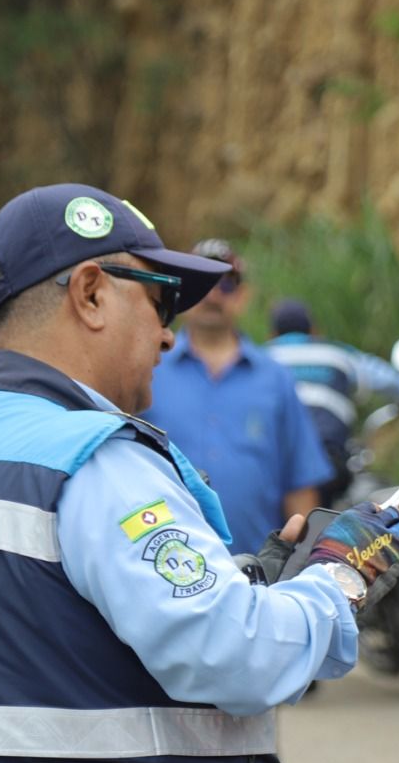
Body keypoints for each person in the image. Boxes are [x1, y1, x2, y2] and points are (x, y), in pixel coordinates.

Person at [0, 183, 399, 763]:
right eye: (157, 298)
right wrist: (343, 572)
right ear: (90, 294)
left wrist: (246, 580)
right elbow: (238, 655)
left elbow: (62, 640)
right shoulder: (93, 458)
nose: (169, 335)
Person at [142, 239, 334, 557]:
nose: (213, 294)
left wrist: (300, 564)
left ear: (244, 297)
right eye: (201, 282)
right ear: (180, 293)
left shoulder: (276, 379)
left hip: (258, 573)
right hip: (159, 568)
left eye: (227, 284)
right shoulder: (149, 368)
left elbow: (299, 484)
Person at [264, 298, 399, 507]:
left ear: (272, 334)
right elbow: (383, 376)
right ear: (314, 331)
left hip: (273, 462)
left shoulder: (261, 359)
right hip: (329, 462)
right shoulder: (338, 355)